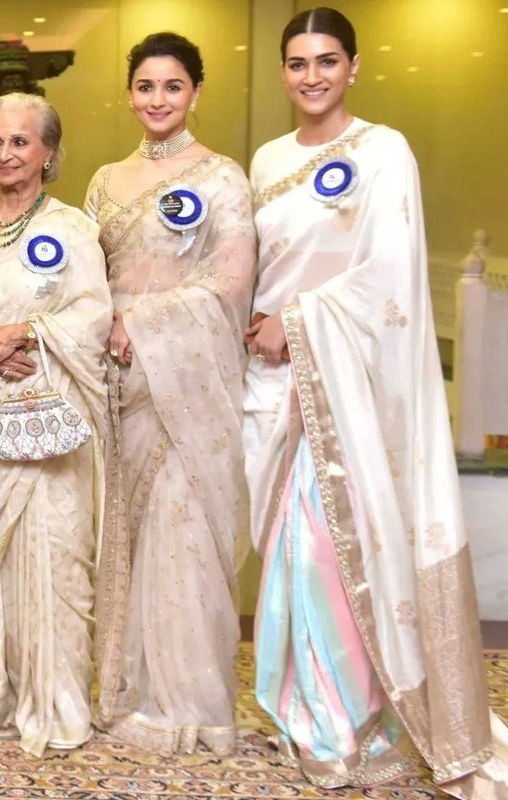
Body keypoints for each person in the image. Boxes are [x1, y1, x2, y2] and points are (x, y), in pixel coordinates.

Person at [244, 8, 508, 796]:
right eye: (297, 62)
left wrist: (296, 323)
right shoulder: (264, 161)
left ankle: (356, 721)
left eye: (327, 60)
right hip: (276, 389)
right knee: (290, 561)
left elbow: (390, 277)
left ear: (354, 67)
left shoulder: (384, 151)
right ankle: (307, 713)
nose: (312, 75)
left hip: (352, 389)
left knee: (329, 553)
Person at [83, 33, 256, 756]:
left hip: (188, 383)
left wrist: (143, 323)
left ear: (196, 93)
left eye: (173, 87)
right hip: (116, 382)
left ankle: (190, 703)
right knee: (123, 531)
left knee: (181, 530)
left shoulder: (223, 177)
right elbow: (85, 279)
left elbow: (230, 280)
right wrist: (106, 325)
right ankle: (126, 691)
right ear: (130, 94)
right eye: (147, 86)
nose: (158, 100)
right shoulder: (103, 180)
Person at [0, 92, 113, 756]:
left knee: (57, 556)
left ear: (49, 153)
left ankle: (56, 698)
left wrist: (27, 332)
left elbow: (93, 314)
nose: (7, 153)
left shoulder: (72, 228)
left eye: (21, 142)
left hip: (50, 414)